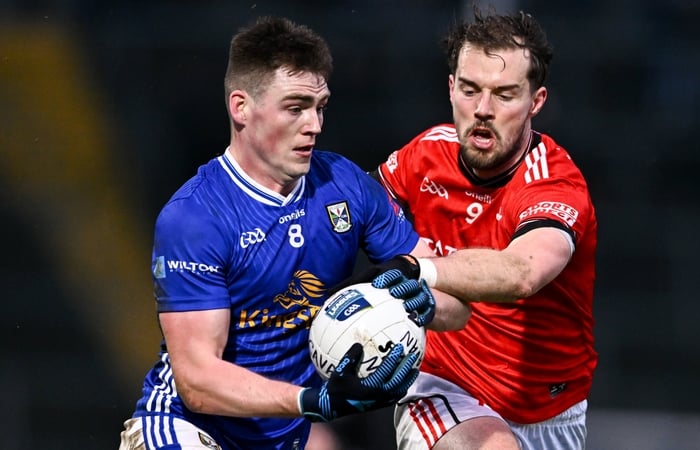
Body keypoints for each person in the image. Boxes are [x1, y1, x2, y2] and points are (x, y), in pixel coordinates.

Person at [117, 16, 469, 450]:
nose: (315, 124)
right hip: (185, 428)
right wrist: (313, 401)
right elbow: (198, 382)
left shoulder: (345, 185)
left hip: (283, 434)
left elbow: (455, 303)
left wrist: (425, 299)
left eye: (320, 106)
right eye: (296, 107)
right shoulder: (194, 217)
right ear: (240, 107)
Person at [345, 7, 598, 450]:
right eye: (469, 89)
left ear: (536, 102)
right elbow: (351, 212)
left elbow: (522, 272)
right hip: (444, 388)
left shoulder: (554, 183)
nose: (482, 110)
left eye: (504, 94)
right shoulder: (422, 156)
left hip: (555, 410)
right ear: (450, 88)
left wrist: (418, 269)